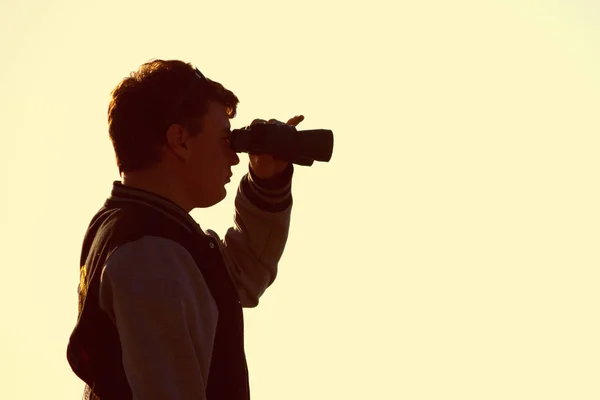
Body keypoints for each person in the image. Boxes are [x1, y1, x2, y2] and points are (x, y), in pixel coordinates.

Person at [66, 59, 303, 400]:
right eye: (226, 139)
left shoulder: (133, 229)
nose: (234, 158)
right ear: (180, 140)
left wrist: (267, 182)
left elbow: (239, 278)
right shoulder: (150, 253)